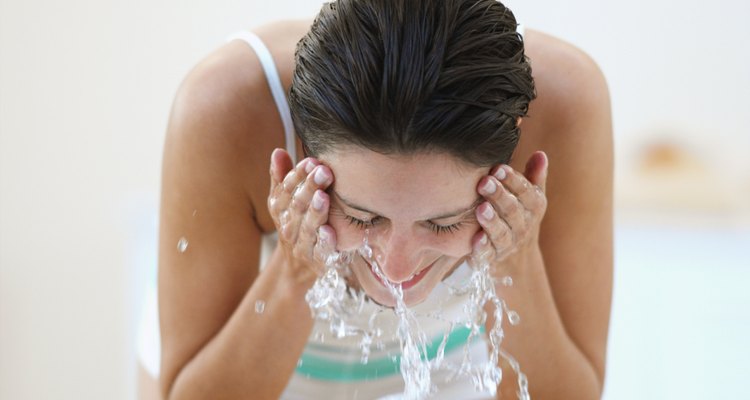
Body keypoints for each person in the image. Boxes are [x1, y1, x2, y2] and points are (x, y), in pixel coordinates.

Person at [138, 0, 613, 398]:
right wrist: (297, 269)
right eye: (362, 216)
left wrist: (514, 259)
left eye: (444, 223)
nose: (397, 269)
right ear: (304, 151)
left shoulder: (565, 103)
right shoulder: (226, 108)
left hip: (458, 356)